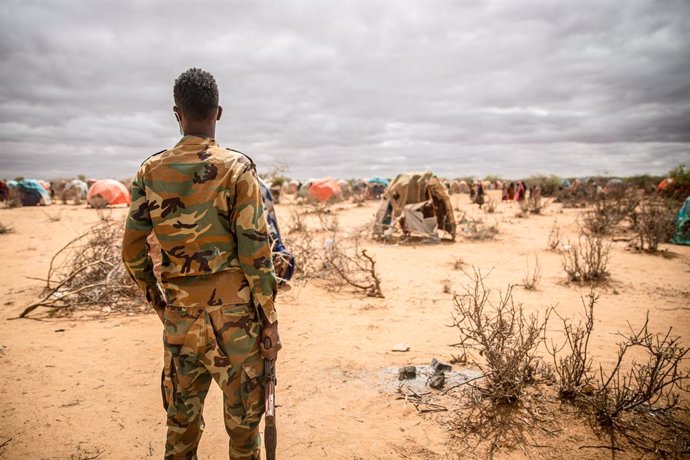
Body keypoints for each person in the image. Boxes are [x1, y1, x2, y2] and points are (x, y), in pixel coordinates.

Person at [122, 68, 280, 460]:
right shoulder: (237, 168)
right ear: (219, 112)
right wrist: (270, 318)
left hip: (181, 320)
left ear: (177, 114)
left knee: (181, 426)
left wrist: (161, 303)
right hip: (237, 322)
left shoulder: (150, 171)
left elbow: (132, 250)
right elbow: (255, 250)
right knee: (244, 432)